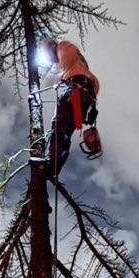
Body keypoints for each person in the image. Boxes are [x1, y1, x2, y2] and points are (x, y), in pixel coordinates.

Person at [37, 37, 100, 177]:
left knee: (59, 124)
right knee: (65, 131)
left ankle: (52, 161)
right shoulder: (79, 64)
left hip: (77, 92)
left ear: (51, 48)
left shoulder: (64, 47)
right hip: (83, 94)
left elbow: (60, 68)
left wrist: (63, 79)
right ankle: (54, 164)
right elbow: (51, 78)